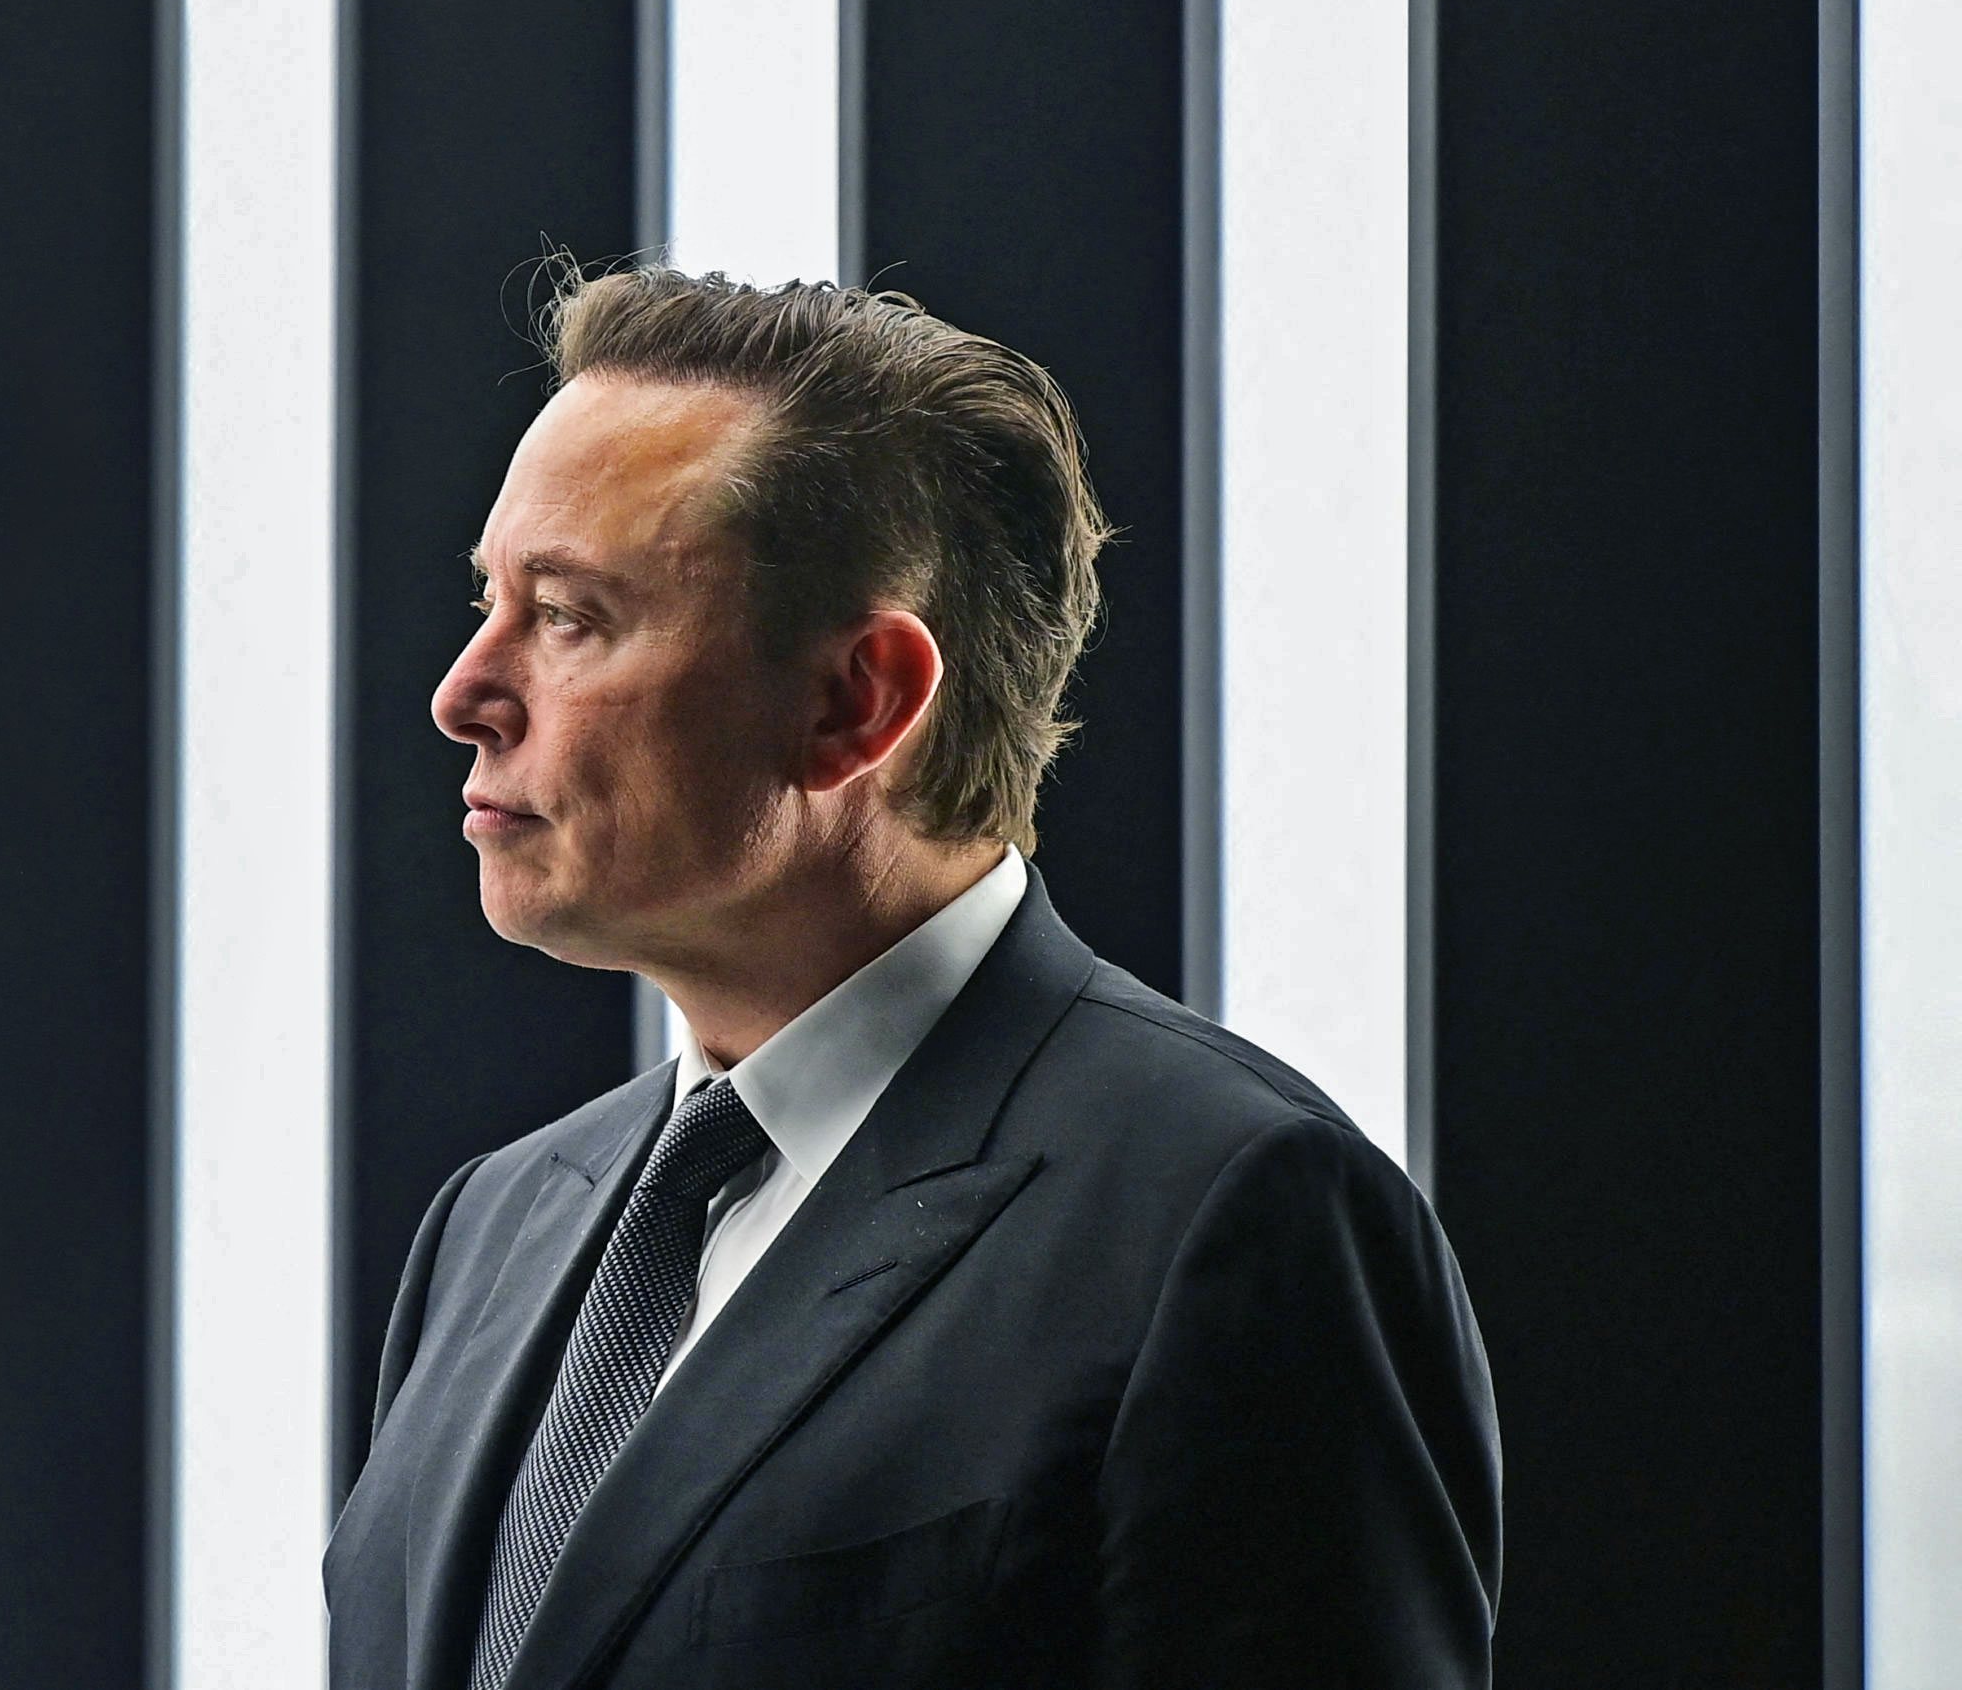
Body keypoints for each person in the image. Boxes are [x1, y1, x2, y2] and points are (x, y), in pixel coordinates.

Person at [323, 266, 1501, 1690]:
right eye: (489, 599)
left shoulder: (1233, 1216)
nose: (462, 692)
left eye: (568, 615)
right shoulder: (492, 1223)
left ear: (857, 702)